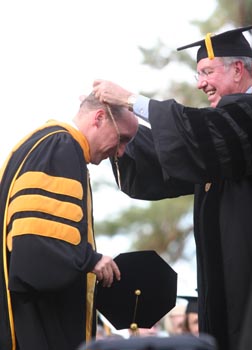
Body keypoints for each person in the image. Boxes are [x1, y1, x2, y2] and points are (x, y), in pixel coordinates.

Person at [92, 24, 252, 350]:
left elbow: (202, 133)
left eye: (207, 71)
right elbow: (175, 158)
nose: (200, 83)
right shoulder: (220, 134)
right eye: (198, 73)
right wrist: (127, 132)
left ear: (238, 69)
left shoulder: (243, 118)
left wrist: (131, 99)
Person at [0, 93, 138, 350]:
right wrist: (90, 259)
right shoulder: (60, 146)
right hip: (37, 326)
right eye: (123, 139)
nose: (121, 152)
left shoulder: (37, 144)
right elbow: (35, 240)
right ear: (99, 118)